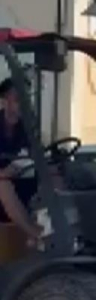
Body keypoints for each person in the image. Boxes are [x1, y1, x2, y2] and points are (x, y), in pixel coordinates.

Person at [0, 79, 41, 242]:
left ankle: (67, 231)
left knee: (56, 176)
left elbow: (32, 155)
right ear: (4, 101)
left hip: (20, 177)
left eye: (27, 98)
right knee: (3, 184)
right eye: (18, 98)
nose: (25, 103)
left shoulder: (29, 126)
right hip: (3, 183)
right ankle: (34, 234)